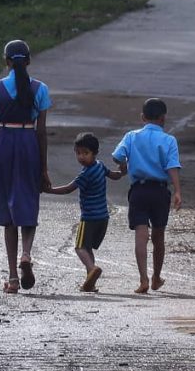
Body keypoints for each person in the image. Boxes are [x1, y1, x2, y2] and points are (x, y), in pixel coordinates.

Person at [0, 39, 52, 293]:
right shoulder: (40, 88)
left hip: (5, 144)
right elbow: (42, 131)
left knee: (6, 208)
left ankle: (12, 278)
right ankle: (26, 253)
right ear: (29, 61)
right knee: (28, 200)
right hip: (28, 141)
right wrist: (43, 168)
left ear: (6, 62)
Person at [112, 98, 182, 294]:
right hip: (160, 191)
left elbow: (117, 156)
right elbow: (172, 167)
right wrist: (177, 191)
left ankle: (142, 278)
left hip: (139, 191)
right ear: (163, 118)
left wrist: (124, 167)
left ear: (142, 117)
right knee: (158, 237)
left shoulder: (131, 136)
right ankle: (156, 277)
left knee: (141, 236)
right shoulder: (169, 140)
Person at [45, 132, 124, 292]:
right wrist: (123, 171)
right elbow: (114, 176)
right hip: (103, 217)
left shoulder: (85, 174)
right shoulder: (101, 166)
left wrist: (48, 190)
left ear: (94, 153)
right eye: (78, 153)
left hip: (88, 218)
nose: (81, 157)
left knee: (80, 247)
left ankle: (92, 269)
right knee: (87, 249)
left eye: (85, 153)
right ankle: (90, 280)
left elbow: (68, 189)